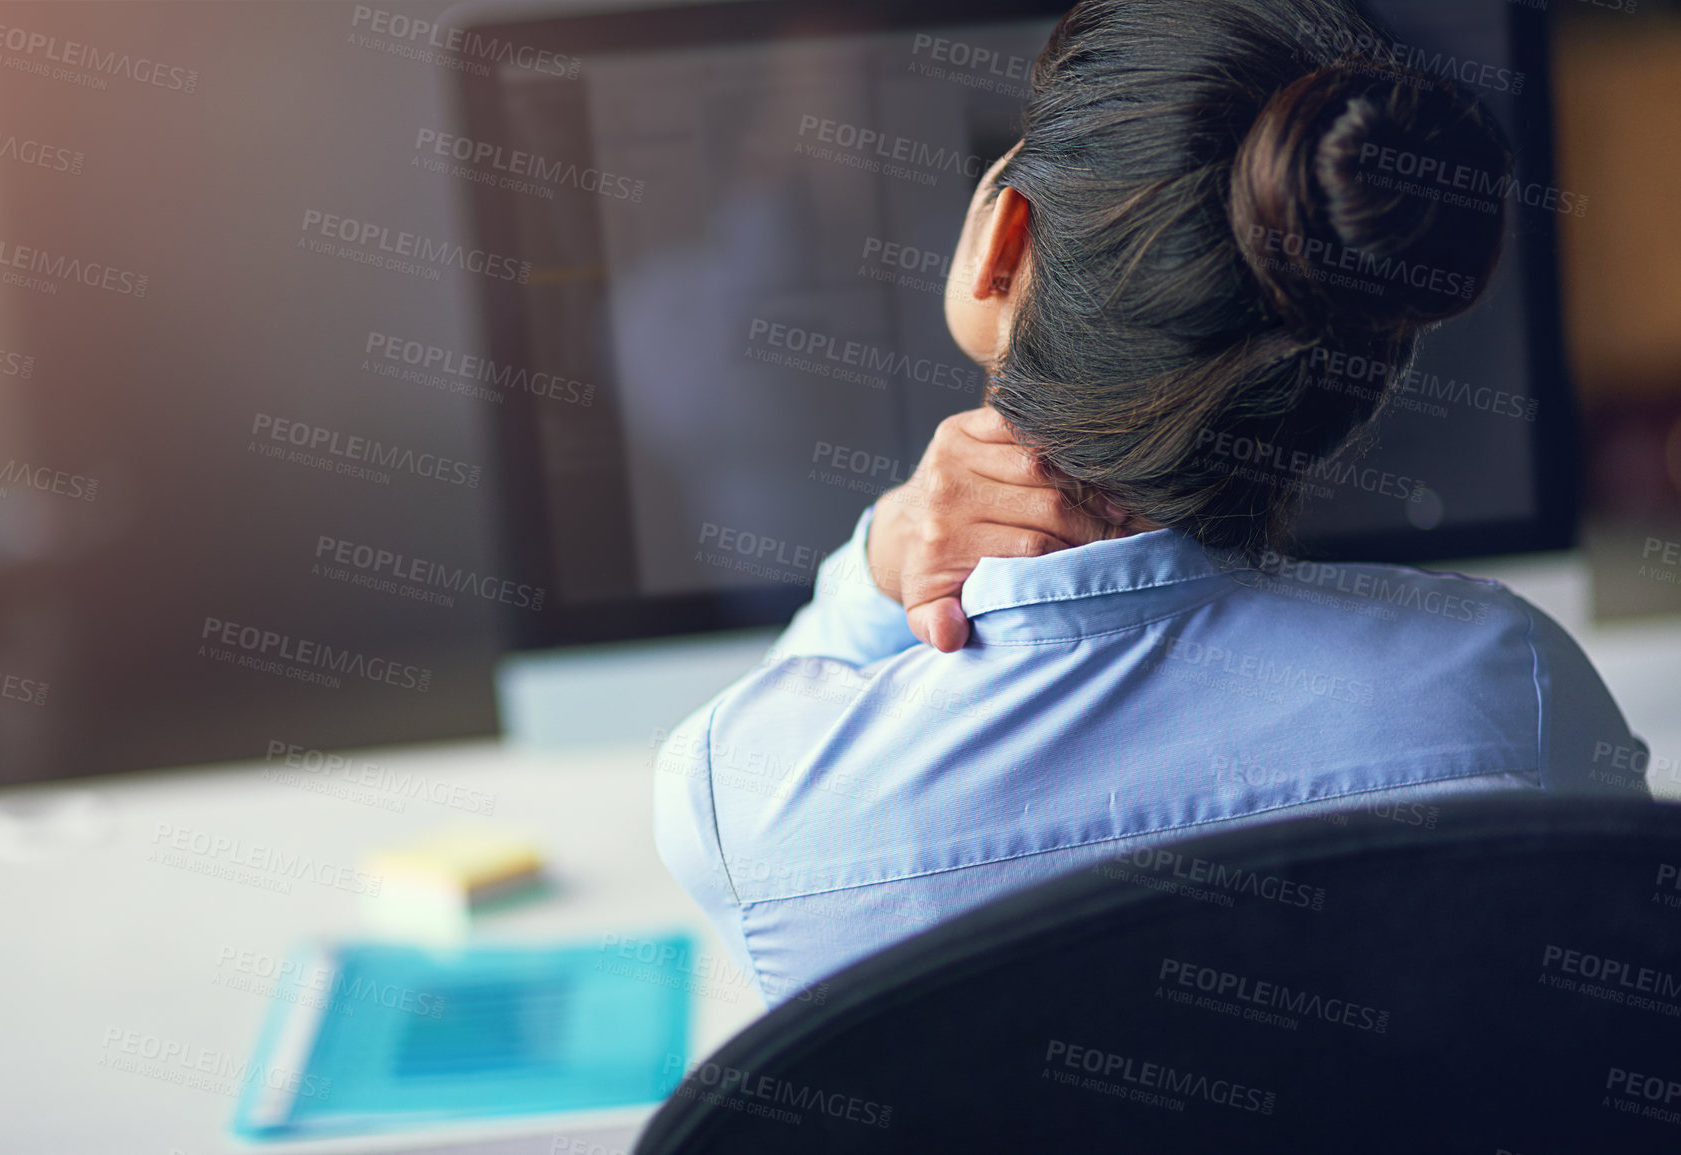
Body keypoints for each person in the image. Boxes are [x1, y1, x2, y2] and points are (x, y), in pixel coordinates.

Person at [654, 0, 1651, 1008]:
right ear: (1358, 371)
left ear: (999, 242)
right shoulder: (1515, 692)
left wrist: (884, 559)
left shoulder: (756, 799)